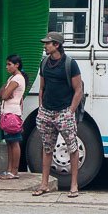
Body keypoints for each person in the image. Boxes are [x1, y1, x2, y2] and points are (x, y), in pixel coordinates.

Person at [33, 31, 83, 198]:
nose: (45, 46)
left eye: (48, 43)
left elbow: (78, 90)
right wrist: (41, 107)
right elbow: (42, 88)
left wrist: (70, 111)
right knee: (47, 148)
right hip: (46, 111)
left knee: (72, 147)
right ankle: (44, 184)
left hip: (63, 111)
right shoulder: (44, 63)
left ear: (57, 45)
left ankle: (74, 185)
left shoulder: (70, 64)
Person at [0, 55, 28, 180]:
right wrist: (5, 91)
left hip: (12, 113)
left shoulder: (18, 78)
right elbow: (2, 93)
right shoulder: (12, 78)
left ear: (17, 65)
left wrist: (6, 92)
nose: (7, 67)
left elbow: (4, 95)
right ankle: (9, 169)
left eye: (9, 64)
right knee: (9, 142)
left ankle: (14, 170)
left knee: (14, 142)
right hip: (7, 112)